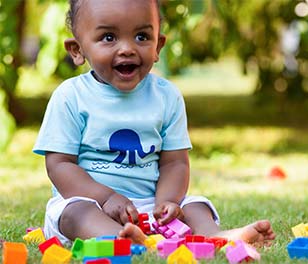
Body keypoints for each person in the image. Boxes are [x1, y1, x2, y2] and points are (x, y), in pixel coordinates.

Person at [33, 0, 276, 246]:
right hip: (90, 201)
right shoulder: (71, 96)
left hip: (150, 204)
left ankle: (216, 237)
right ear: (77, 50)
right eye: (108, 37)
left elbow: (175, 163)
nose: (127, 49)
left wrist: (166, 202)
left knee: (195, 205)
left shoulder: (166, 97)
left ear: (158, 45)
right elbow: (60, 165)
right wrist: (106, 198)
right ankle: (120, 239)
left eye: (141, 36)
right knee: (76, 213)